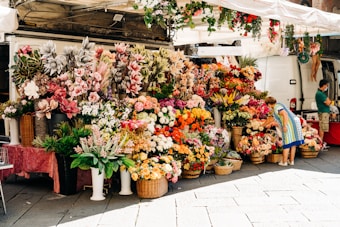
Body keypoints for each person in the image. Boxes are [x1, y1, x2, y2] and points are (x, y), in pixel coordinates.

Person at [265, 96, 304, 166]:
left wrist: (285, 125)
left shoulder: (276, 108)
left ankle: (284, 162)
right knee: (293, 143)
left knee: (287, 143)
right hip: (295, 122)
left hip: (289, 124)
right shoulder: (279, 104)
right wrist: (271, 124)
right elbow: (280, 118)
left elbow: (285, 114)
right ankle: (291, 161)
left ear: (269, 104)